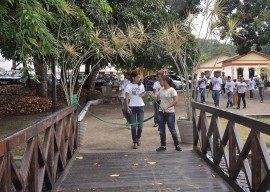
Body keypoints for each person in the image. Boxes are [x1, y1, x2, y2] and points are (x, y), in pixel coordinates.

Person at [151, 76, 182, 152]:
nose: (159, 83)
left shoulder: (172, 90)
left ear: (165, 81)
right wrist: (152, 96)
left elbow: (175, 101)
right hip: (161, 112)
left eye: (161, 81)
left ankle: (177, 145)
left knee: (172, 129)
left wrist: (167, 106)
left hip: (170, 113)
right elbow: (157, 99)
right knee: (162, 130)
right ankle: (163, 145)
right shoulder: (161, 89)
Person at [126, 71, 145, 149]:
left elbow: (143, 94)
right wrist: (127, 107)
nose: (139, 79)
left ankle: (138, 138)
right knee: (133, 126)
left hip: (140, 107)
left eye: (139, 77)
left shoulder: (141, 85)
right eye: (137, 77)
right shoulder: (129, 86)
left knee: (140, 127)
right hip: (132, 107)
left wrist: (142, 94)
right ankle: (134, 142)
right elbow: (126, 97)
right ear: (133, 78)